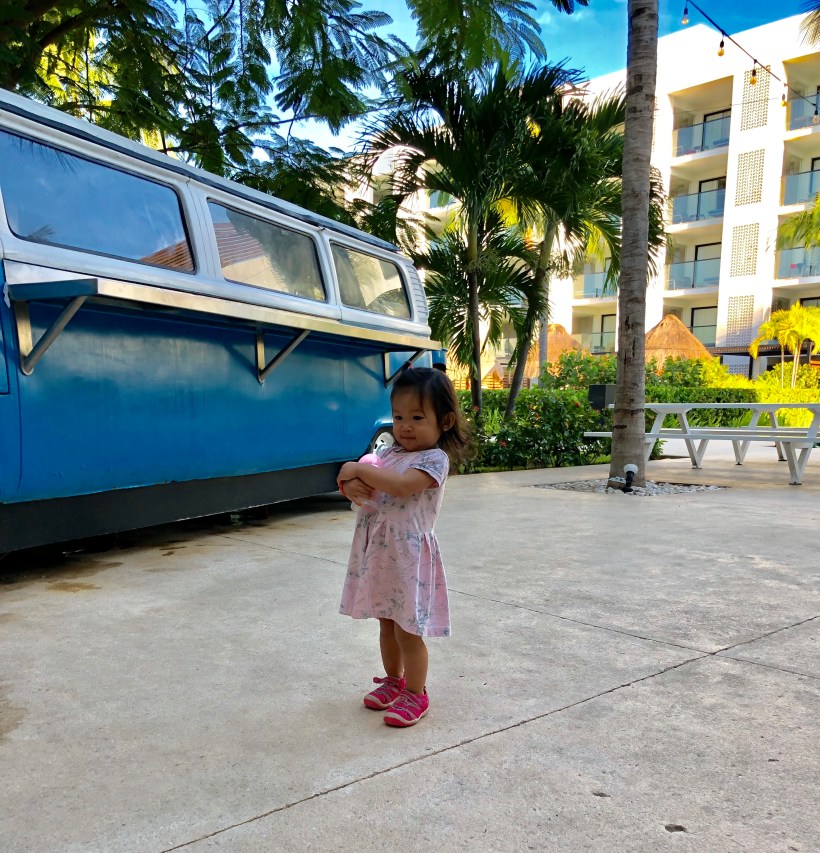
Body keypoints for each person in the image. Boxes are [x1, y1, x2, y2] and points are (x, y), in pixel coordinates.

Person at [337, 367, 469, 727]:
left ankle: (416, 692)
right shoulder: (390, 452)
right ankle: (393, 681)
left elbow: (399, 486)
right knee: (386, 621)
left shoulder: (433, 460)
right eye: (398, 417)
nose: (405, 426)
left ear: (445, 421)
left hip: (408, 556)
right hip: (380, 552)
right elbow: (363, 487)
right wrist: (350, 481)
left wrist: (353, 468)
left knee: (407, 629)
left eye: (416, 417)